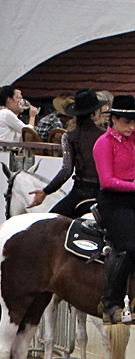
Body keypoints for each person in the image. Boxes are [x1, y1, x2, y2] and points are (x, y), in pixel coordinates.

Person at [28, 89, 106, 217]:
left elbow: (66, 171)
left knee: (51, 220)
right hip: (103, 193)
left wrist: (46, 191)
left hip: (80, 192)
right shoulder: (105, 136)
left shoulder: (68, 136)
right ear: (95, 112)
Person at [92, 94, 135, 325]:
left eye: (134, 123)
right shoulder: (104, 143)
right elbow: (107, 180)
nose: (131, 127)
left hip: (132, 195)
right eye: (127, 122)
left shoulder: (133, 139)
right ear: (114, 120)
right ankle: (111, 303)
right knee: (128, 246)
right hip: (114, 200)